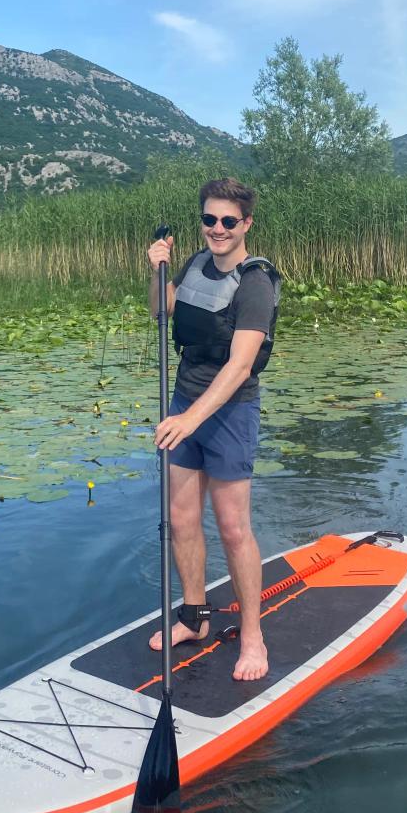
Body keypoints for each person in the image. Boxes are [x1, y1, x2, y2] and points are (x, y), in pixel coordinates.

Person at [146, 177, 280, 682]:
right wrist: (158, 272)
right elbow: (162, 310)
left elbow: (240, 366)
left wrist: (189, 419)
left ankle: (253, 637)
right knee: (182, 520)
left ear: (246, 224)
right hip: (185, 403)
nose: (217, 229)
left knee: (232, 528)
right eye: (209, 219)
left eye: (228, 221)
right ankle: (194, 617)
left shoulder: (255, 284)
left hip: (228, 413)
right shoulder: (195, 264)